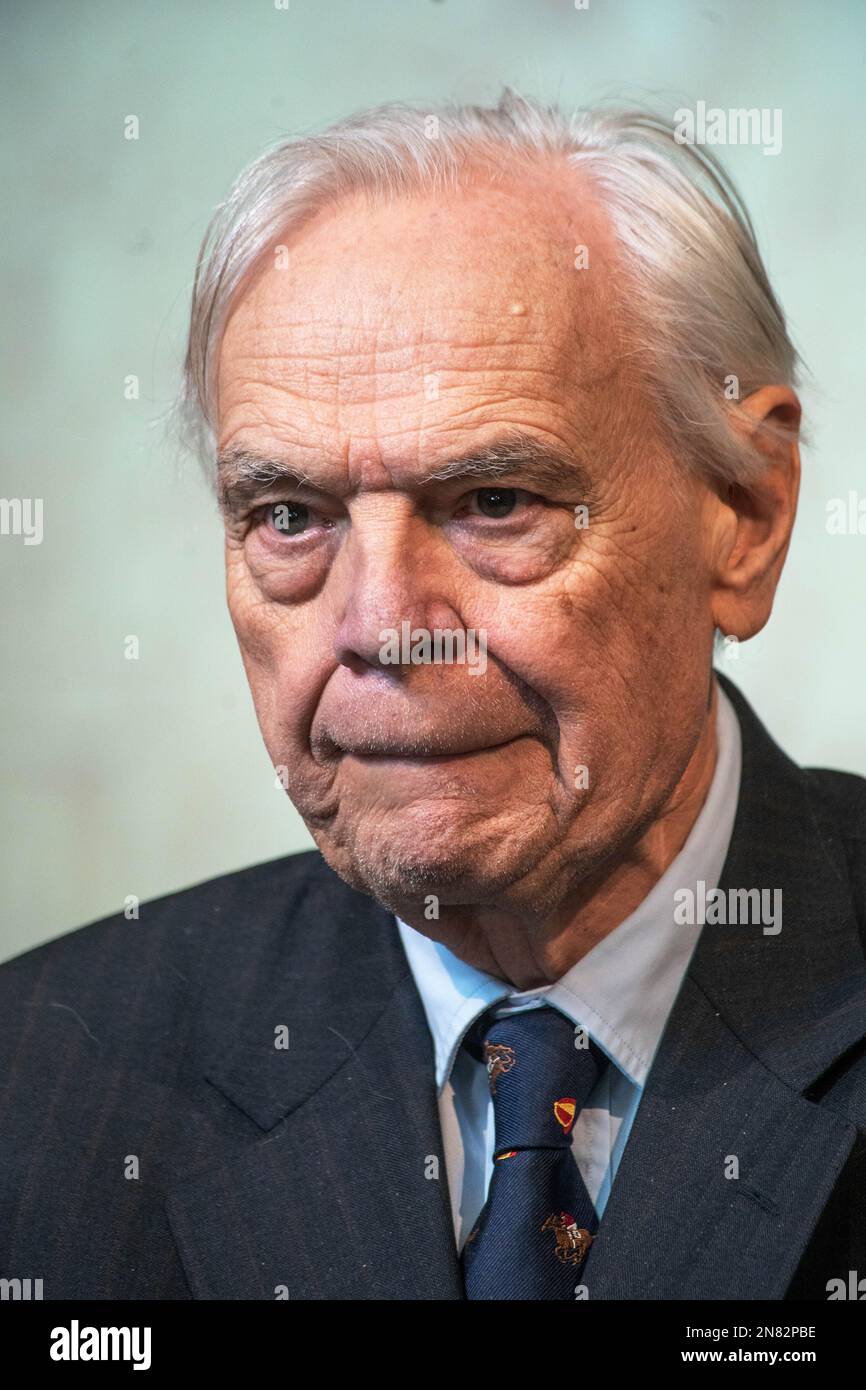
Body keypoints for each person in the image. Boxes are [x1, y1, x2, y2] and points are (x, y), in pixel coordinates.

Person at [2, 90, 864, 1301]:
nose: (378, 629)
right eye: (289, 517)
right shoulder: (40, 1080)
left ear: (745, 516)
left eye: (494, 502)